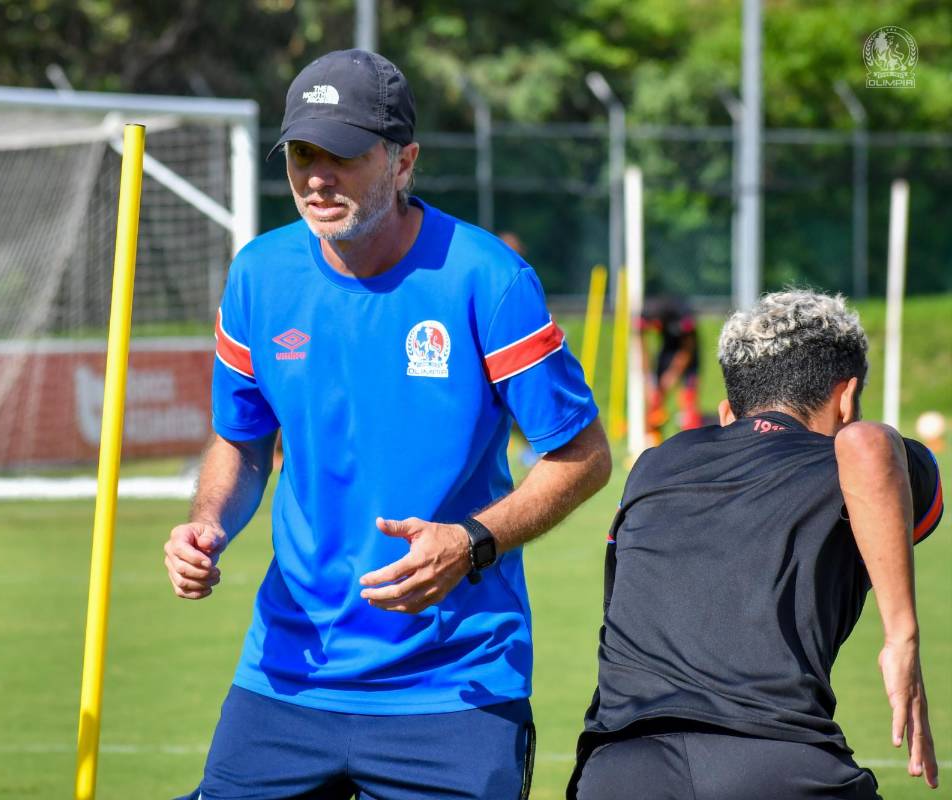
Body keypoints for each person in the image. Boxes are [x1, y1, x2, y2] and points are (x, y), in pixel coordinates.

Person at [164, 49, 611, 798]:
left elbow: (584, 456)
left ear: (404, 162)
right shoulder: (259, 275)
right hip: (287, 679)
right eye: (303, 153)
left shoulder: (487, 279)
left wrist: (472, 543)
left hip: (453, 689)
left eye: (341, 154)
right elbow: (242, 442)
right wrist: (207, 524)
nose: (317, 176)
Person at [570, 290, 942, 799]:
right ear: (847, 399)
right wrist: (903, 639)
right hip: (775, 761)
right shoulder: (847, 454)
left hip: (619, 763)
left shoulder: (654, 465)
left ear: (727, 414)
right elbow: (866, 446)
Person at [638, 294, 702, 443]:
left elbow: (687, 349)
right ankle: (653, 442)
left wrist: (672, 375)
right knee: (655, 398)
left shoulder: (681, 315)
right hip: (667, 350)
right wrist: (648, 379)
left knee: (688, 400)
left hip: (690, 353)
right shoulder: (645, 315)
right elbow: (642, 347)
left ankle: (692, 440)